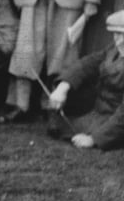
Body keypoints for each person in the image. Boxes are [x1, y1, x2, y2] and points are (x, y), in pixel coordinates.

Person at [47, 10, 124, 150]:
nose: (120, 40)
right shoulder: (114, 50)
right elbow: (86, 65)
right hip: (100, 113)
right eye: (117, 34)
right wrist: (62, 88)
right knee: (62, 127)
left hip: (117, 122)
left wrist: (94, 139)